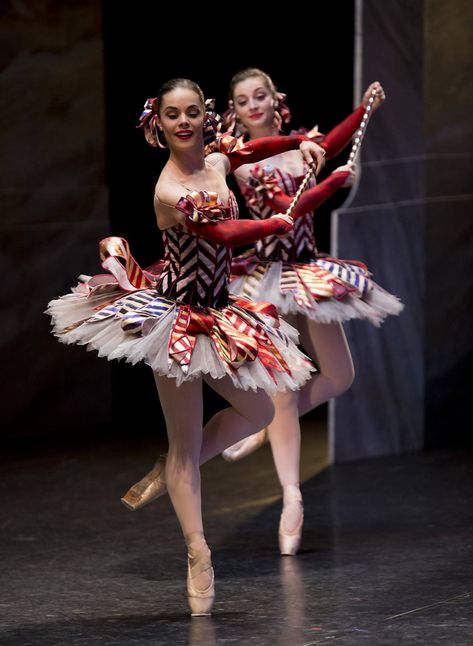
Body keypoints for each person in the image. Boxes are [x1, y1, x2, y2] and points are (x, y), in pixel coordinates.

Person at [46, 78, 325, 615]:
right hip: (175, 318)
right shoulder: (168, 189)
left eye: (192, 112)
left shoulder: (218, 165)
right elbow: (221, 236)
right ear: (159, 124)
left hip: (220, 310)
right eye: (172, 114)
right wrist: (277, 221)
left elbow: (252, 148)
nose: (183, 122)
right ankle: (198, 552)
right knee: (185, 444)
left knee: (261, 407)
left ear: (205, 116)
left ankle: (174, 465)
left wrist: (296, 143)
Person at [220, 68, 403, 555]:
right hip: (266, 277)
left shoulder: (299, 143)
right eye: (244, 100)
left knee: (340, 378)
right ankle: (291, 499)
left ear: (274, 99)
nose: (254, 105)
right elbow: (286, 209)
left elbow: (337, 142)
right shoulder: (242, 165)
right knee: (282, 392)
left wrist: (365, 108)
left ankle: (263, 426)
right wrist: (335, 181)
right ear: (234, 112)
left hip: (310, 271)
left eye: (261, 95)